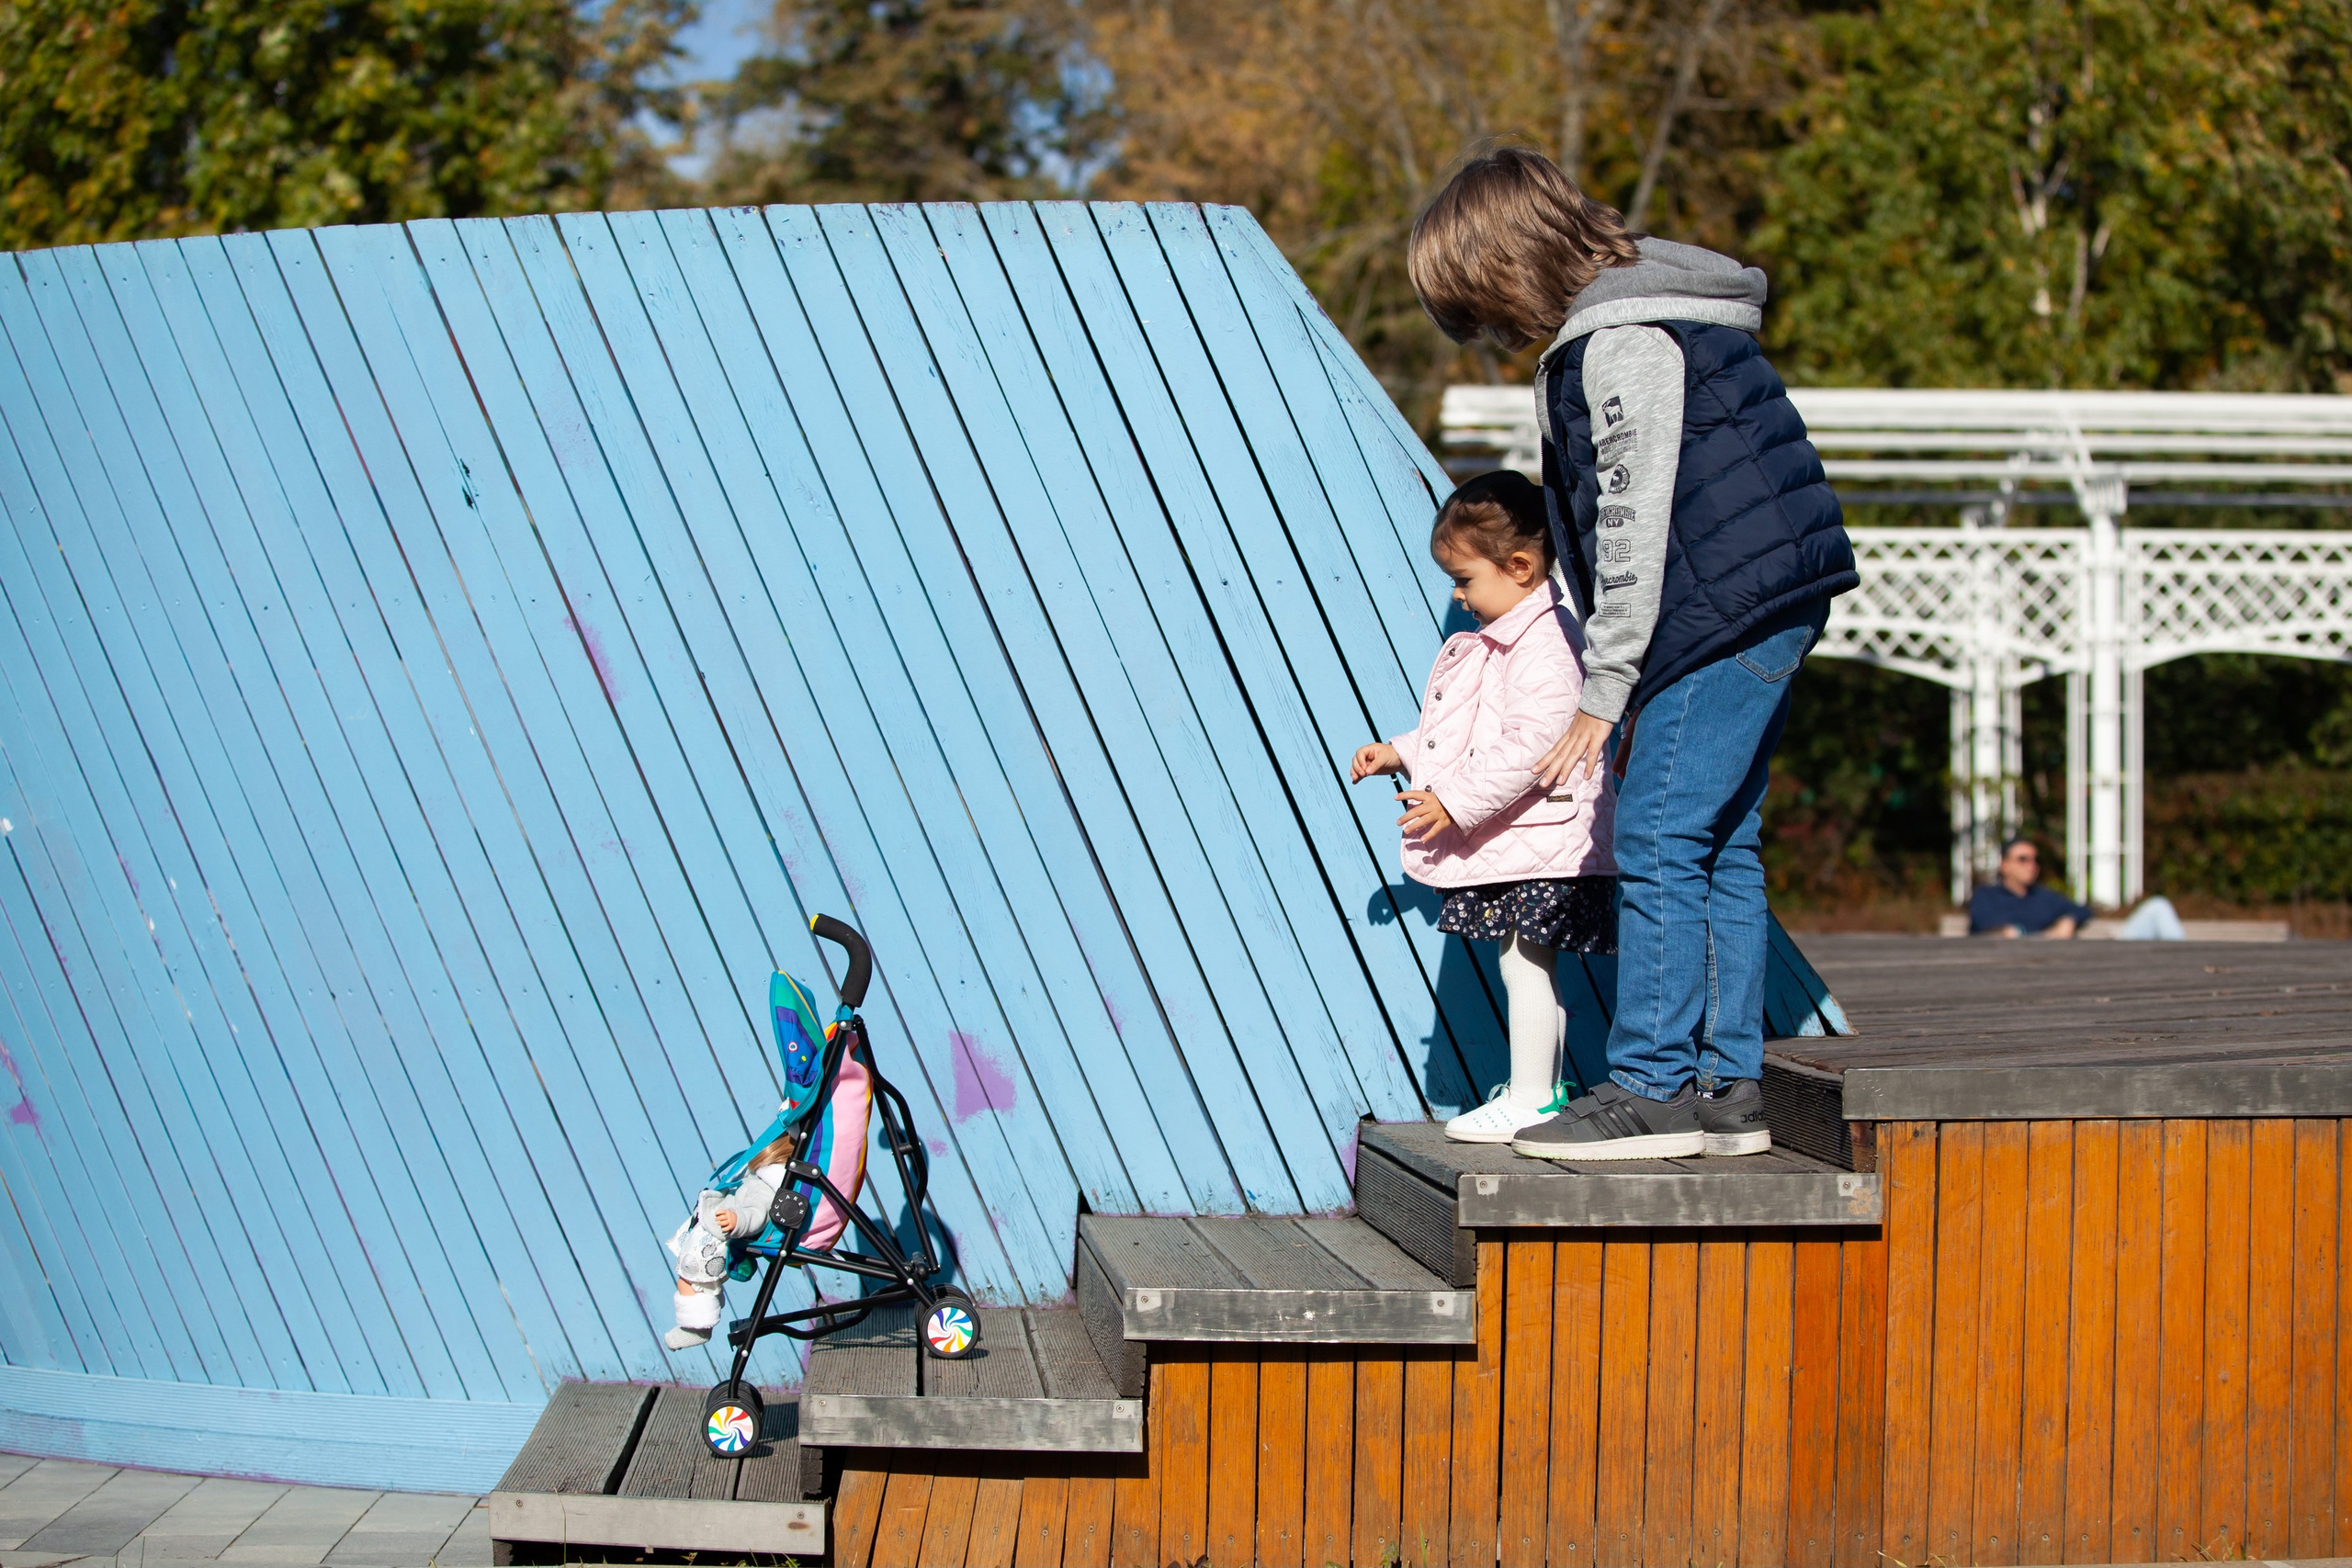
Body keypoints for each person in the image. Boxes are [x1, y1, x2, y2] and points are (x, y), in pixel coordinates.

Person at [1407, 145, 1857, 1160]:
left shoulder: (1621, 343)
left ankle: (1653, 1086)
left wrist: (1603, 689)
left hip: (1723, 607)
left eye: (1484, 308)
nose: (1496, 334)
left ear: (1506, 264)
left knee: (1653, 834)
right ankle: (1725, 1091)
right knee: (1717, 839)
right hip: (1756, 596)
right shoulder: (1644, 318)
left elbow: (1632, 520)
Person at [1351, 471, 1618, 1144]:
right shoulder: (1515, 637)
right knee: (1528, 960)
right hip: (1534, 835)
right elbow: (1474, 735)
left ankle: (1531, 1095)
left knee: (1524, 961)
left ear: (1520, 567)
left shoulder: (1546, 644)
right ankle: (1541, 1088)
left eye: (1465, 579)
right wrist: (1401, 752)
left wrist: (1453, 800)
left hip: (1546, 836)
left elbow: (1531, 743)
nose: (1457, 594)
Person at [663, 1126, 796, 1350]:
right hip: (715, 1236)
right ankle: (698, 1322)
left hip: (718, 1241)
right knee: (697, 1284)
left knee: (688, 1281)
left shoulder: (765, 1186)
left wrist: (738, 1220)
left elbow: (756, 1213)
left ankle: (696, 1328)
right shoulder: (761, 1180)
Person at [1969, 837, 2093, 937]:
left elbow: (2083, 911)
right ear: (2004, 865)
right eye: (2023, 860)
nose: (2031, 866)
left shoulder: (2044, 897)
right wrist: (2048, 934)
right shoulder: (1986, 896)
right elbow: (1987, 927)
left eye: (2035, 860)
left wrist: (2069, 921)